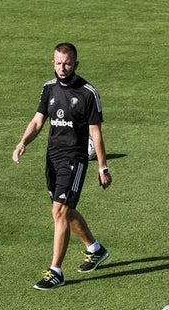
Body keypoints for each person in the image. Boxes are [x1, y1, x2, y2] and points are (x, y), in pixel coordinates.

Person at [12, 42, 113, 290]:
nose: (62, 68)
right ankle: (95, 248)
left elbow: (95, 133)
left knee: (59, 212)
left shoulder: (88, 93)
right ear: (53, 62)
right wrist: (23, 142)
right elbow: (38, 121)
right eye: (58, 63)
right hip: (53, 158)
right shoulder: (48, 89)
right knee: (61, 212)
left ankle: (55, 271)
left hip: (75, 160)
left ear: (75, 64)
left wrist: (102, 167)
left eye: (67, 63)